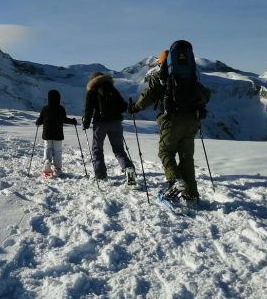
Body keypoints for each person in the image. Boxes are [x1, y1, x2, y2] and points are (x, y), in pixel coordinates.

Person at [128, 47, 211, 202]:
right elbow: (206, 96)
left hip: (171, 121)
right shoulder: (188, 76)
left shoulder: (160, 77)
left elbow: (147, 97)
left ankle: (175, 181)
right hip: (191, 121)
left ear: (161, 63)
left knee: (165, 152)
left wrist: (134, 108)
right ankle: (191, 194)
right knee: (187, 158)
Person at [82, 71, 136, 184]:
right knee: (119, 150)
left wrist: (86, 123)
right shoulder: (112, 89)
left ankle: (101, 175)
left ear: (93, 80)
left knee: (97, 150)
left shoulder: (92, 91)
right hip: (116, 123)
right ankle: (128, 168)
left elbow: (88, 109)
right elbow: (122, 106)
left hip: (99, 124)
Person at [35, 89, 78, 177]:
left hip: (47, 134)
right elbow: (64, 119)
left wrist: (38, 122)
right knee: (57, 151)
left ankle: (47, 163)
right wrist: (73, 121)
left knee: (47, 148)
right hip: (58, 134)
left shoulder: (45, 108)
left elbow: (40, 120)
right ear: (58, 98)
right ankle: (58, 169)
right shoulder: (60, 108)